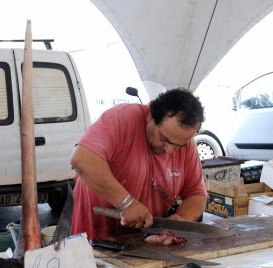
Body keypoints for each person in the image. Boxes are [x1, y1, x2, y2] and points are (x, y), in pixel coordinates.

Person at [70, 88, 208, 239]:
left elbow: (196, 194)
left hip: (145, 245)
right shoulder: (121, 119)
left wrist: (181, 220)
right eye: (164, 138)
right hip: (94, 240)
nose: (169, 150)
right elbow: (82, 160)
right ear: (150, 116)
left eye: (178, 145)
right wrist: (126, 203)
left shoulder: (186, 144)